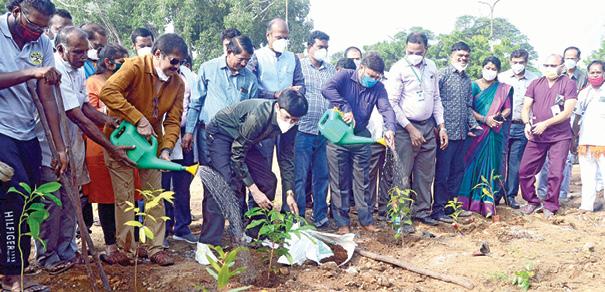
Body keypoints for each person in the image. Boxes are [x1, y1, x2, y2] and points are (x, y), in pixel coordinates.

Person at [35, 26, 135, 273]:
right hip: (52, 148)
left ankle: (66, 251)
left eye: (85, 52)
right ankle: (48, 256)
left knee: (72, 202)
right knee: (53, 203)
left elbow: (84, 107)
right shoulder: (55, 70)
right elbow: (76, 115)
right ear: (60, 49)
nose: (83, 57)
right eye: (77, 52)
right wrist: (111, 147)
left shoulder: (77, 70)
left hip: (73, 145)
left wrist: (108, 121)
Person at [100, 33, 189, 266]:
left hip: (152, 149)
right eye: (174, 61)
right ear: (158, 54)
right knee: (125, 199)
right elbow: (108, 92)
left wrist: (167, 149)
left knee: (154, 197)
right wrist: (138, 119)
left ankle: (155, 248)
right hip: (121, 144)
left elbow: (173, 120)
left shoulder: (178, 83)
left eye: (181, 63)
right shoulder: (134, 66)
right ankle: (127, 250)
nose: (177, 68)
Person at [0, 1, 68, 290]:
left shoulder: (42, 42)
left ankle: (19, 272)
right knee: (12, 198)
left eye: (43, 26)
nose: (37, 32)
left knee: (30, 200)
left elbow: (47, 98)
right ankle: (10, 276)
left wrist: (59, 147)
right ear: (16, 11)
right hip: (1, 131)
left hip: (26, 133)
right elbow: (34, 76)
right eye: (33, 24)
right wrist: (32, 72)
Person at [194, 91, 306, 265]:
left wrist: (289, 192)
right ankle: (206, 244)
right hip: (221, 134)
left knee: (268, 181)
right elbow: (237, 154)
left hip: (244, 140)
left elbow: (286, 157)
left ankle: (254, 234)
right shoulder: (259, 116)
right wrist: (254, 191)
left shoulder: (291, 125)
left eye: (295, 120)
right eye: (287, 117)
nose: (290, 123)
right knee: (221, 184)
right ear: (277, 107)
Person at [82, 43, 143, 265]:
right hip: (101, 146)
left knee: (130, 194)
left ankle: (132, 243)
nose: (125, 66)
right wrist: (118, 110)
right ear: (108, 62)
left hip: (128, 144)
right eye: (121, 62)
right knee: (107, 197)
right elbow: (89, 112)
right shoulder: (92, 82)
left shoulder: (128, 82)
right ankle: (111, 246)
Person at [322, 53, 396, 234]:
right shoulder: (345, 75)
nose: (373, 79)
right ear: (361, 68)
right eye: (371, 75)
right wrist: (344, 106)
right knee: (339, 181)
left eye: (377, 77)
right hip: (338, 135)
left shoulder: (378, 87)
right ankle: (342, 223)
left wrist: (390, 128)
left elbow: (386, 108)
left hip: (361, 135)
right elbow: (326, 89)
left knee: (363, 180)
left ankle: (366, 219)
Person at [386, 32, 447, 230]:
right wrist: (410, 129)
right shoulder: (398, 68)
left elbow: (436, 98)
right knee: (403, 173)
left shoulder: (431, 67)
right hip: (406, 128)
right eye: (410, 51)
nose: (414, 55)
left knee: (425, 172)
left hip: (428, 126)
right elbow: (392, 103)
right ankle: (400, 217)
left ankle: (421, 211)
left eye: (418, 52)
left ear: (426, 50)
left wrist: (441, 125)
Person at [247, 18, 305, 212]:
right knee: (262, 169)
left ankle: (288, 212)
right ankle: (258, 216)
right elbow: (252, 87)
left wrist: (296, 92)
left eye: (286, 37)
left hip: (289, 119)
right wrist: (275, 95)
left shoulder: (293, 58)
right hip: (266, 119)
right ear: (268, 36)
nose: (283, 41)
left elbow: (301, 83)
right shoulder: (256, 57)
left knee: (288, 164)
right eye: (279, 37)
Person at [519, 54, 577, 219]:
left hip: (560, 136)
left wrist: (546, 124)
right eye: (546, 65)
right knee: (524, 170)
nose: (549, 69)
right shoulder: (535, 83)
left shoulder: (568, 84)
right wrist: (527, 124)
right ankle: (532, 200)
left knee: (555, 172)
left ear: (562, 67)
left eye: (553, 65)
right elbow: (526, 108)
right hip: (537, 134)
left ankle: (551, 205)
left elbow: (567, 112)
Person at [431, 42, 481, 223]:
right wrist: (438, 128)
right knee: (442, 173)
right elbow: (435, 103)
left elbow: (468, 107)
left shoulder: (468, 80)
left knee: (457, 172)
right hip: (445, 134)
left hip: (462, 134)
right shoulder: (442, 75)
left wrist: (473, 125)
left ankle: (450, 208)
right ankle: (437, 210)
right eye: (460, 55)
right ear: (452, 55)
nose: (463, 59)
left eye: (466, 56)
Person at [458, 56, 512, 216]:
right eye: (487, 68)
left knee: (490, 166)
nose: (490, 71)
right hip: (476, 131)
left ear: (498, 71)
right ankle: (466, 201)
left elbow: (507, 108)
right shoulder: (473, 85)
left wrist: (497, 118)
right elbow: (468, 107)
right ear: (482, 68)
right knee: (471, 165)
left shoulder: (503, 88)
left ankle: (486, 203)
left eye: (493, 69)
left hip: (494, 132)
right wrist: (484, 119)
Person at [536, 46, 589, 202]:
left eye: (573, 58)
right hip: (552, 119)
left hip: (572, 118)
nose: (570, 61)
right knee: (546, 157)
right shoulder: (555, 75)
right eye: (567, 58)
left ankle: (561, 193)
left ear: (578, 59)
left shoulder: (583, 77)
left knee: (566, 159)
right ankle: (543, 191)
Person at [294, 30, 335, 228]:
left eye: (326, 48)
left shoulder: (331, 70)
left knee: (322, 176)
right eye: (320, 47)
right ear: (309, 46)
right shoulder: (298, 67)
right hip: (302, 130)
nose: (323, 51)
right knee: (299, 177)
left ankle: (320, 216)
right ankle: (299, 218)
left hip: (324, 132)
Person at [498, 49, 538, 209]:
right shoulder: (502, 77)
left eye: (521, 62)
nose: (518, 65)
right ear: (510, 61)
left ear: (526, 62)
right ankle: (496, 193)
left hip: (522, 125)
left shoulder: (535, 79)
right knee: (500, 161)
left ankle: (511, 196)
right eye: (515, 62)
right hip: (502, 124)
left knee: (515, 163)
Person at [572, 60, 605, 212]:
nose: (595, 75)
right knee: (588, 178)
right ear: (588, 74)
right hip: (585, 142)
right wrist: (573, 138)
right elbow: (577, 117)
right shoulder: (584, 93)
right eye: (592, 72)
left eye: (598, 72)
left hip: (602, 142)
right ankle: (587, 206)